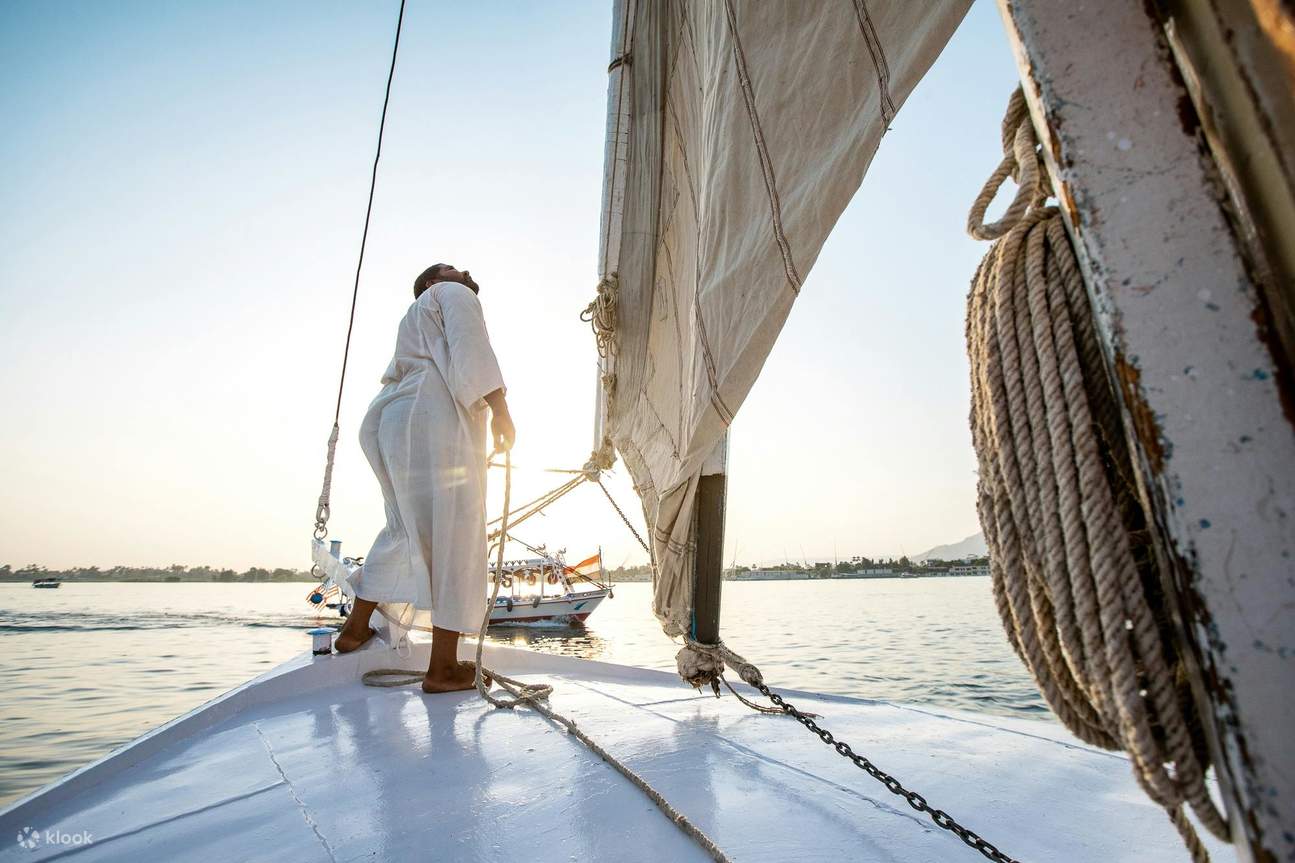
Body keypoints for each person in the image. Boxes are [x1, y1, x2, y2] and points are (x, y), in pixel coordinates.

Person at [334, 263, 515, 693]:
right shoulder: (449, 294)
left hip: (392, 418)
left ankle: (355, 629)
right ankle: (443, 668)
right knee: (456, 531)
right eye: (451, 269)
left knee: (403, 528)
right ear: (433, 283)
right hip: (433, 416)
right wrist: (501, 410)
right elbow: (471, 347)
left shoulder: (412, 317)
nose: (465, 271)